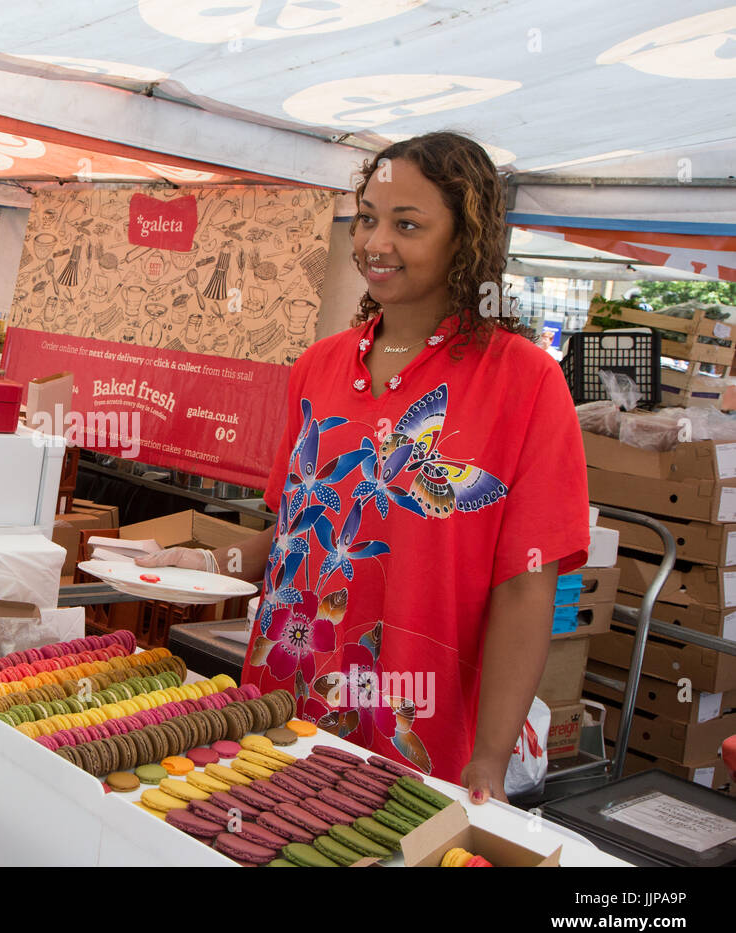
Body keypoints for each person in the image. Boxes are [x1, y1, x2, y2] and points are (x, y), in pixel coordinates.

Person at [139, 132, 589, 804]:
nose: (376, 244)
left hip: (417, 723)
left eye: (407, 225)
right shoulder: (318, 366)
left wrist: (490, 762)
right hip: (281, 700)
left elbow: (528, 586)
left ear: (466, 239)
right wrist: (206, 567)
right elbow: (299, 535)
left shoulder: (523, 381)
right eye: (369, 219)